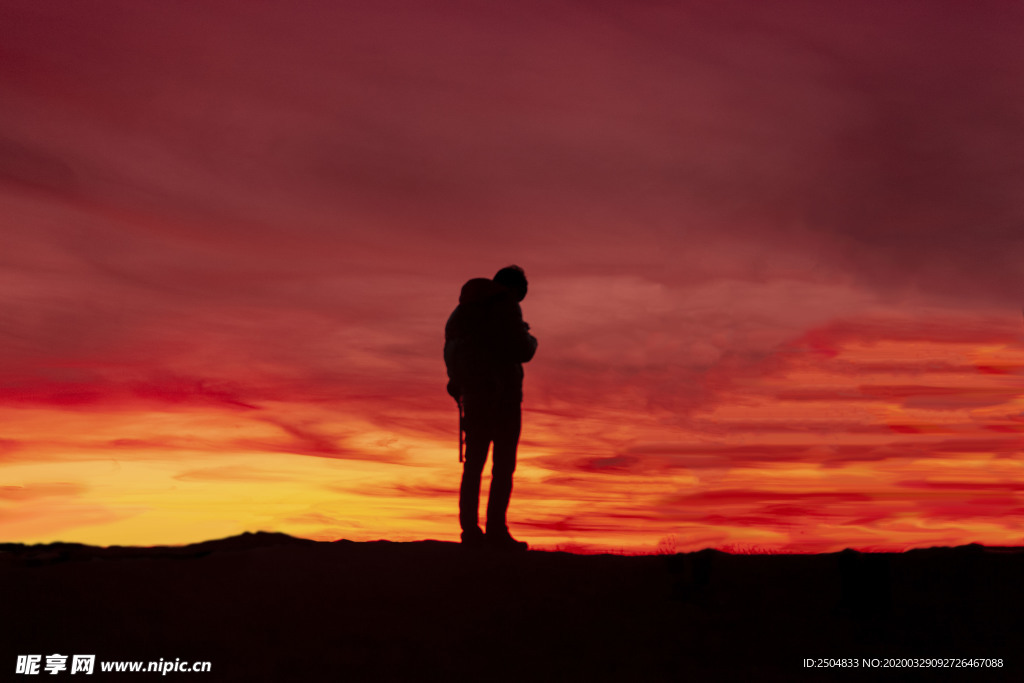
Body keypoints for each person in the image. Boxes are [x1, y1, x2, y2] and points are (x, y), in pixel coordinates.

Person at [444, 265, 537, 549]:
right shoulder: (505, 306)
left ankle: (470, 532)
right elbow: (522, 349)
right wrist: (530, 337)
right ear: (514, 289)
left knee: (473, 466)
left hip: (473, 396)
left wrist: (460, 383)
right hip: (504, 395)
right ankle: (496, 530)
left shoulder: (462, 311)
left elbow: (451, 350)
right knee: (503, 466)